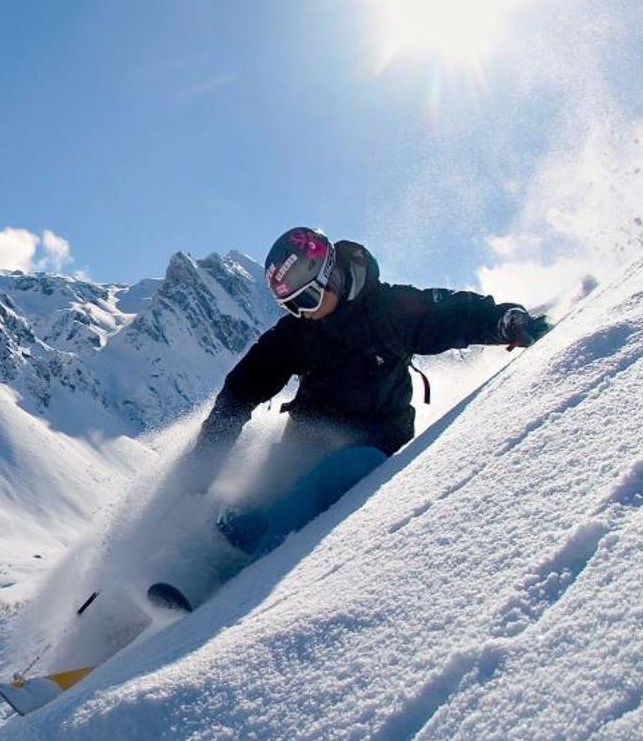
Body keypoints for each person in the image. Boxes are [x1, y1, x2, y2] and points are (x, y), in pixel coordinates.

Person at [186, 226, 548, 562]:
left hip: (377, 448)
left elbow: (457, 315)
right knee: (265, 495)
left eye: (309, 299)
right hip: (308, 441)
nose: (304, 313)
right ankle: (205, 567)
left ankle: (249, 572)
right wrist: (204, 461)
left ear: (331, 274)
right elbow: (240, 390)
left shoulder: (390, 310)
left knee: (325, 480)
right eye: (293, 306)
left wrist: (507, 323)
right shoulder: (297, 334)